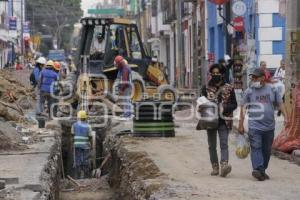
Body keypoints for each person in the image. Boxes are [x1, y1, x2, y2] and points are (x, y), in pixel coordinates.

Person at [238, 68, 289, 181]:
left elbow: (280, 103)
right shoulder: (249, 91)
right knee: (256, 147)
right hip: (254, 125)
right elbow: (243, 108)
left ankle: (262, 170)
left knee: (266, 150)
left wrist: (286, 117)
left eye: (256, 77)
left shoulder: (272, 89)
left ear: (263, 78)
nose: (253, 79)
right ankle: (257, 168)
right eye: (253, 77)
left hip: (269, 126)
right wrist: (240, 124)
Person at [201, 64, 237, 177]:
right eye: (213, 73)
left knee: (224, 144)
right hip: (210, 120)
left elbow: (234, 104)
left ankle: (224, 166)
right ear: (211, 74)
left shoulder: (229, 88)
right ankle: (215, 167)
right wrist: (202, 106)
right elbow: (201, 102)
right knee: (212, 145)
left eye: (218, 73)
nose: (215, 75)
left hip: (224, 121)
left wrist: (225, 108)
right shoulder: (205, 88)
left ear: (222, 74)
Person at [72, 110, 92, 179]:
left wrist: (75, 141)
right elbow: (90, 136)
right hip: (85, 145)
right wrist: (89, 142)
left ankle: (78, 176)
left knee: (77, 159)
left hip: (77, 145)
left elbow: (72, 134)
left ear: (78, 117)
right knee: (85, 159)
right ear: (85, 118)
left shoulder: (74, 125)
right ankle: (86, 176)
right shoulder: (88, 126)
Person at [114, 55, 133, 120]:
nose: (116, 66)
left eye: (117, 64)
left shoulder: (125, 69)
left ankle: (127, 115)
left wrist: (121, 89)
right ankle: (127, 113)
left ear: (119, 63)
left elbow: (124, 80)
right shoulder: (124, 68)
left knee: (126, 100)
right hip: (127, 86)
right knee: (126, 100)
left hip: (126, 87)